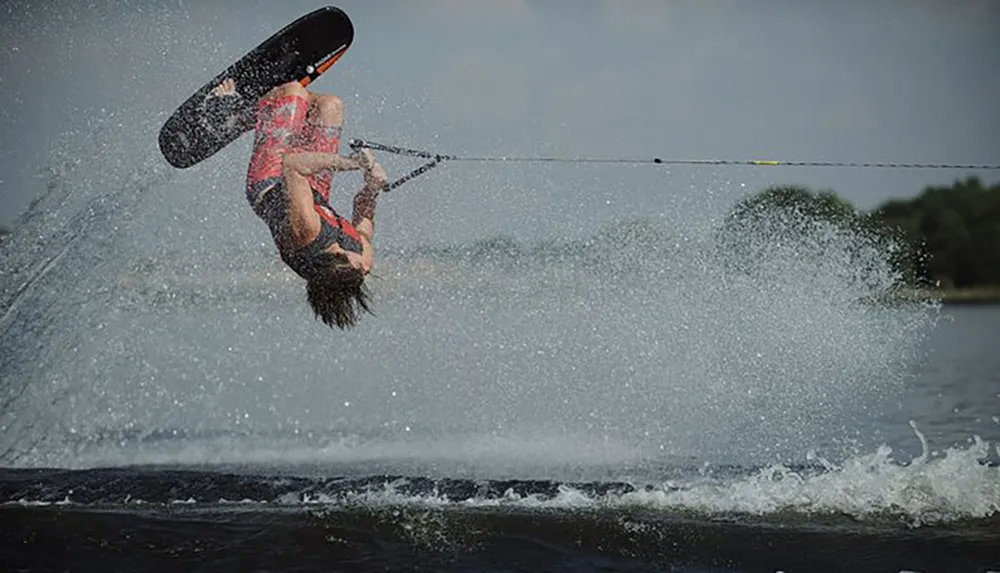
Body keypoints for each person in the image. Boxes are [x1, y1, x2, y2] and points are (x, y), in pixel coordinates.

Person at [207, 78, 387, 329]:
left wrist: (353, 163)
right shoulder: (360, 260)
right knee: (329, 106)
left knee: (293, 92)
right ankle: (264, 113)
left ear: (338, 258)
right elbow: (364, 219)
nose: (365, 267)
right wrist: (372, 186)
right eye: (363, 270)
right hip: (314, 189)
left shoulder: (306, 233)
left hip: (271, 180)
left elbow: (292, 165)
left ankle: (233, 116)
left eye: (359, 267)